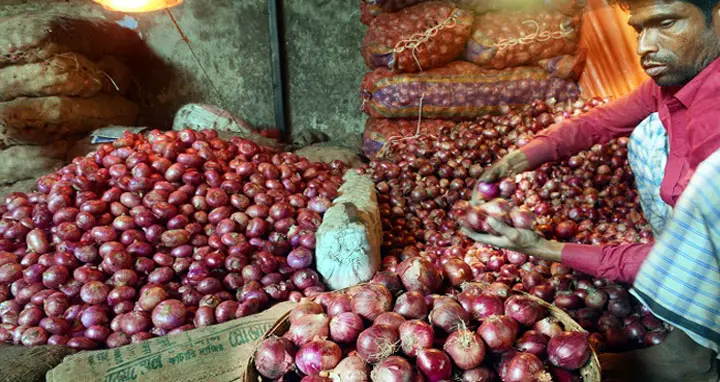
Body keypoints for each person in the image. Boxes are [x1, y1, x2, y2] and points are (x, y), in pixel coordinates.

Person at [461, 0, 720, 380]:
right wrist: (518, 159)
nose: (645, 46)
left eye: (665, 23)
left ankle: (692, 357)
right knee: (647, 136)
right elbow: (601, 122)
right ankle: (693, 338)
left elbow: (684, 259)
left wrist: (540, 248)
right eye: (639, 29)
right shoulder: (680, 80)